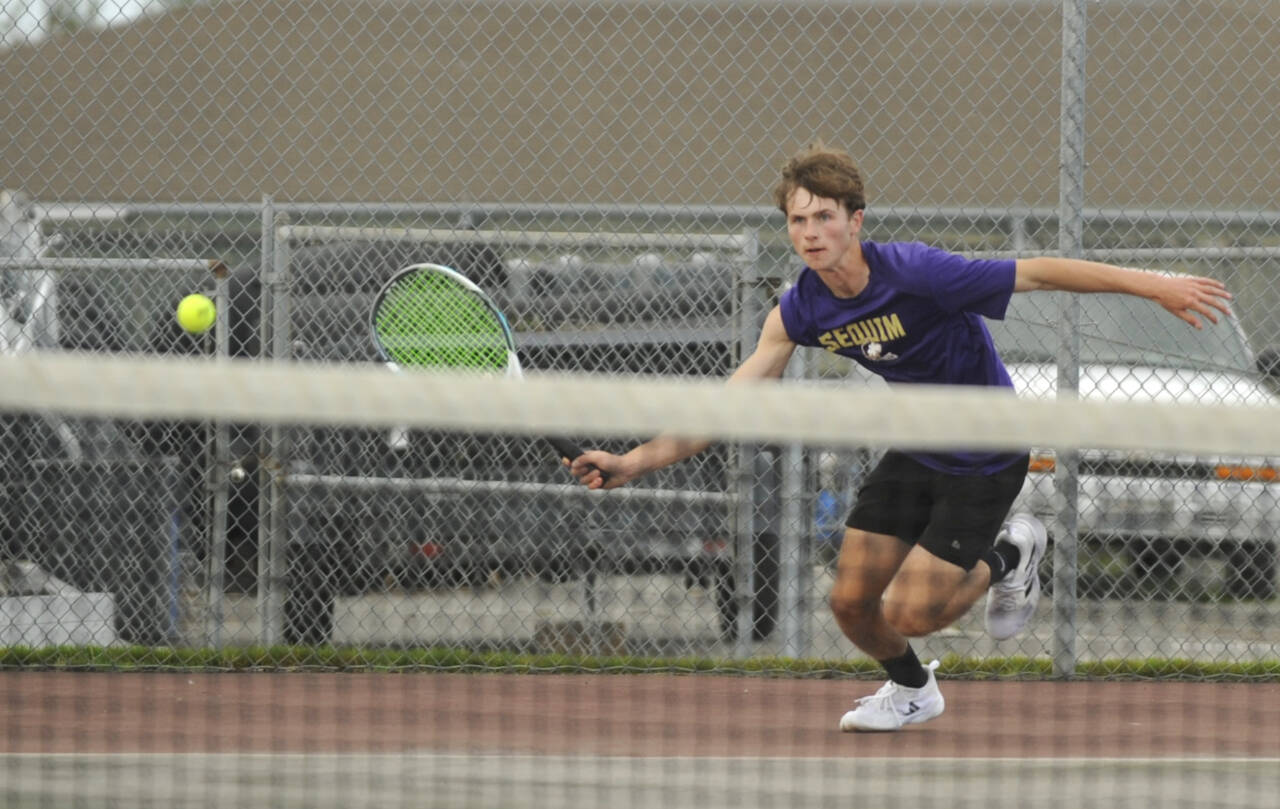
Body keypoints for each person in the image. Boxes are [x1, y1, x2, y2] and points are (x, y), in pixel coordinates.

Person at [566, 143, 1233, 732]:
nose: (810, 232)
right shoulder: (800, 308)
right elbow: (731, 402)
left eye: (824, 216)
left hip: (987, 451)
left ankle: (1010, 553)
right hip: (916, 446)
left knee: (912, 613)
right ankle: (914, 691)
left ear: (856, 220)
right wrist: (633, 460)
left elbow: (1039, 271)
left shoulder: (919, 273)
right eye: (798, 220)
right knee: (851, 605)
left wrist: (1157, 286)